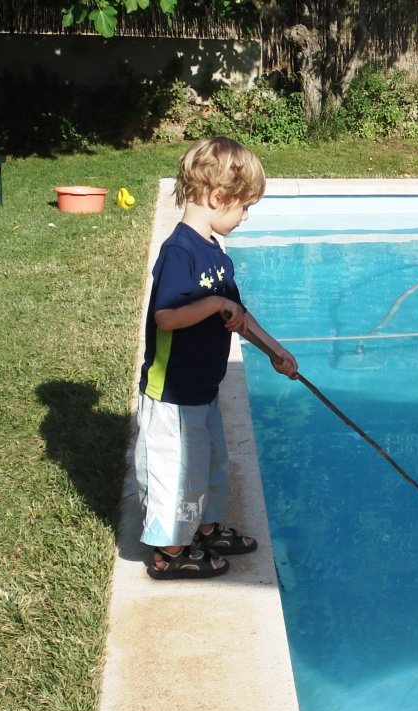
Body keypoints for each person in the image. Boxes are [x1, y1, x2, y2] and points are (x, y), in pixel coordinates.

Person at [135, 136, 298, 580]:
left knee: (210, 466)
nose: (246, 217)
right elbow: (167, 316)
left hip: (203, 388)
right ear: (216, 197)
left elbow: (238, 314)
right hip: (172, 395)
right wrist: (212, 305)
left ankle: (204, 530)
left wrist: (274, 351)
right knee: (177, 472)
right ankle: (169, 552)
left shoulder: (214, 253)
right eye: (244, 207)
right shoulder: (179, 252)